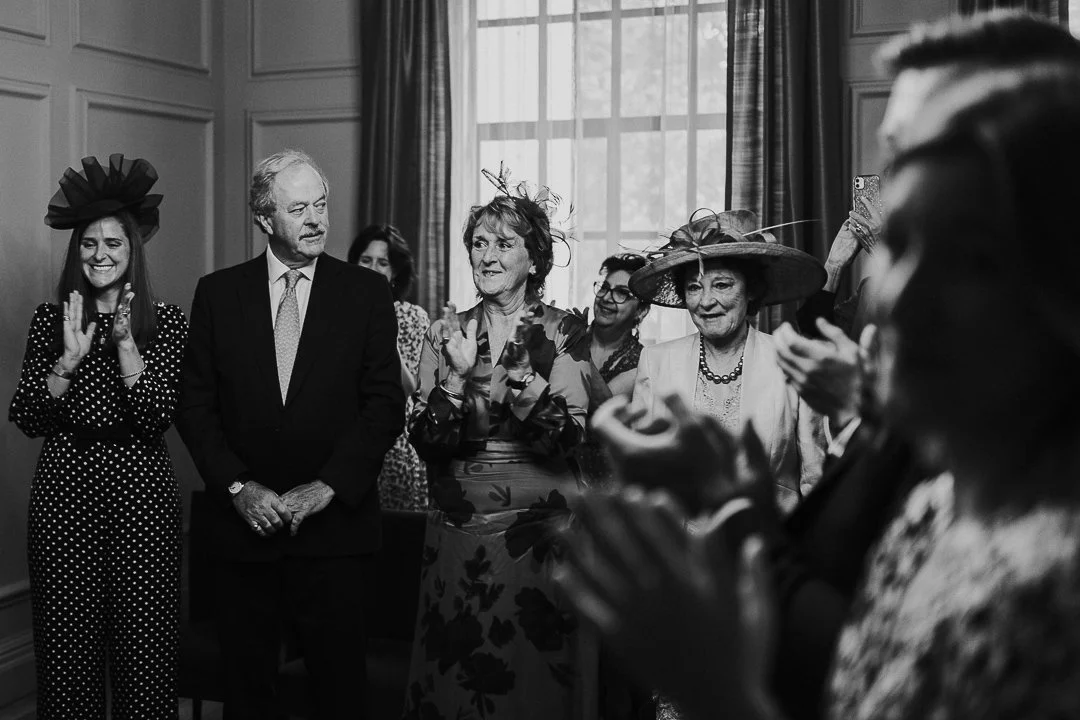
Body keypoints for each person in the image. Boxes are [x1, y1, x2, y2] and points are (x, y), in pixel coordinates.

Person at [556, 65, 1080, 720]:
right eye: (899, 251)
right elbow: (858, 658)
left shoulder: (1043, 552)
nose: (899, 293)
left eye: (960, 256)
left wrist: (718, 688)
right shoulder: (952, 489)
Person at [177, 149, 404, 720]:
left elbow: (384, 407)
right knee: (248, 696)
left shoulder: (365, 294)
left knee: (339, 694)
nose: (316, 220)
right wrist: (237, 487)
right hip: (242, 538)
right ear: (264, 218)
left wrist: (325, 488)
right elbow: (194, 405)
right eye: (298, 207)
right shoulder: (217, 293)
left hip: (336, 537)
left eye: (321, 204)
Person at [403, 171, 593, 720]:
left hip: (541, 534)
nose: (487, 255)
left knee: (533, 679)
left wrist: (527, 388)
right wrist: (457, 381)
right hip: (459, 535)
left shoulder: (563, 333)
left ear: (533, 260)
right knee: (459, 678)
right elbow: (427, 443)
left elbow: (569, 442)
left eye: (504, 244)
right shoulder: (445, 333)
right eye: (479, 243)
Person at [9, 154, 186, 719]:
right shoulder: (49, 320)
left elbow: (158, 415)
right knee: (67, 666)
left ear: (133, 252)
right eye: (88, 244)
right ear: (76, 252)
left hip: (141, 500)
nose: (100, 254)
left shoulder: (169, 323)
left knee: (145, 662)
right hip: (64, 499)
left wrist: (126, 346)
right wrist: (66, 361)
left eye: (113, 243)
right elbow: (28, 416)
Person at [627, 209, 827, 512]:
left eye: (721, 284)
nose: (706, 301)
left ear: (751, 291)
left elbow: (815, 479)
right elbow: (638, 475)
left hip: (768, 547)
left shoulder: (792, 363)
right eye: (694, 287)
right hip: (681, 550)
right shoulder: (656, 362)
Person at [348, 223, 431, 510]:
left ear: (394, 272)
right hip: (346, 443)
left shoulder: (412, 317)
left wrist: (384, 332)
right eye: (366, 260)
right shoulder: (338, 313)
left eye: (382, 263)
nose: (372, 269)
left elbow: (411, 389)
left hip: (394, 445)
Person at [588, 253, 650, 397]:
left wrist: (577, 350)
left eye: (622, 293)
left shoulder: (641, 364)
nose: (607, 298)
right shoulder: (569, 336)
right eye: (604, 287)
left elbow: (601, 408)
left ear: (641, 311)